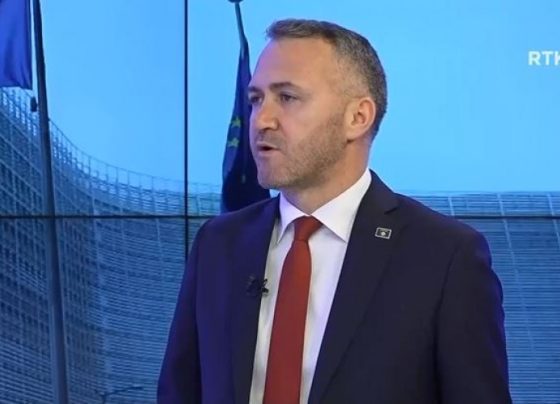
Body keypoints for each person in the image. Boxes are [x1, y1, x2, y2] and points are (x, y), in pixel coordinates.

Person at [158, 18, 511, 404]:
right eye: (256, 99)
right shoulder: (219, 244)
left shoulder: (444, 256)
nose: (261, 120)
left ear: (358, 117)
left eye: (287, 97)